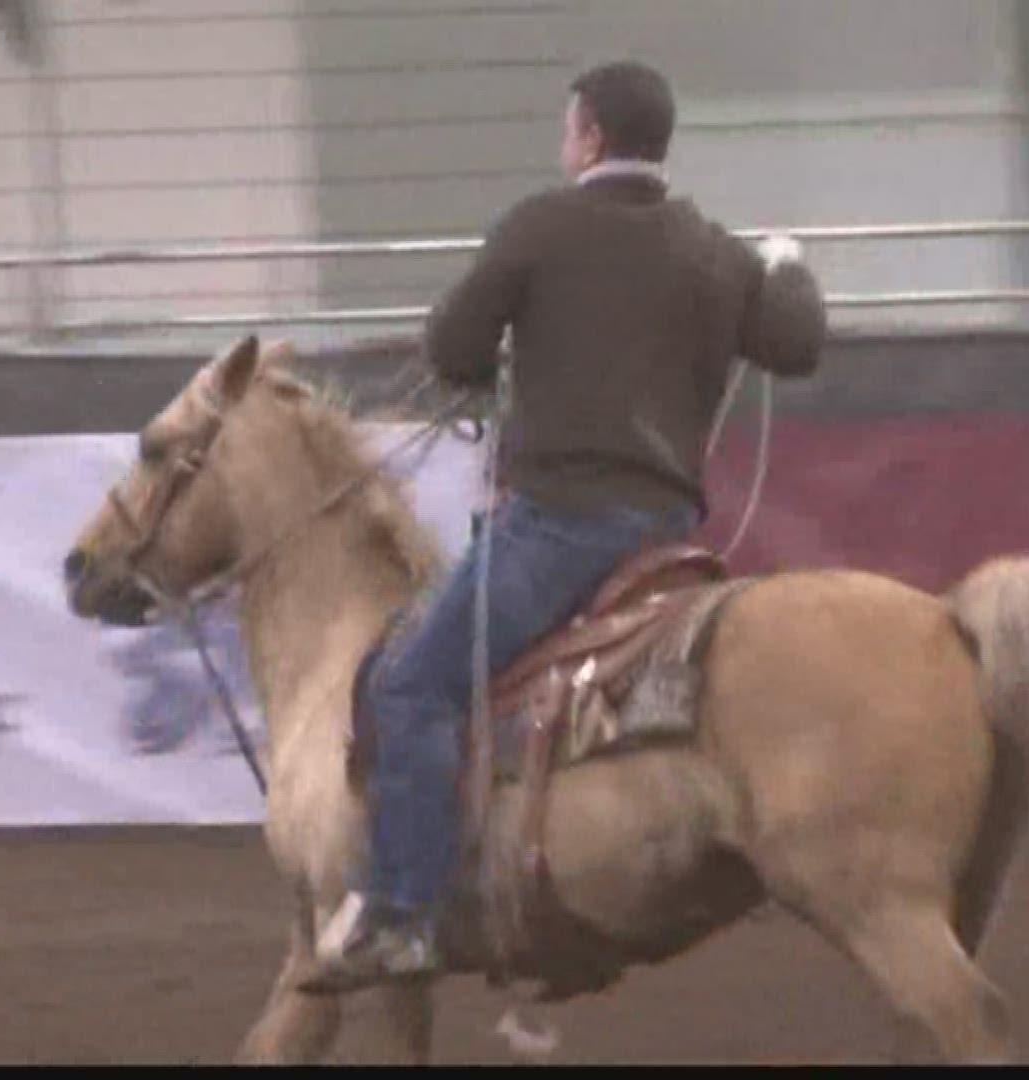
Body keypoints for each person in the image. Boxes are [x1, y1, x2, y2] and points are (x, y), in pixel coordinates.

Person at [301, 59, 827, 994]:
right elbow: (798, 345)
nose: (563, 142)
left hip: (560, 531)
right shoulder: (712, 248)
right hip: (666, 537)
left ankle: (404, 915)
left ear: (588, 137)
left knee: (412, 686)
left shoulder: (541, 227)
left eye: (566, 129)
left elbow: (452, 351)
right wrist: (787, 266)